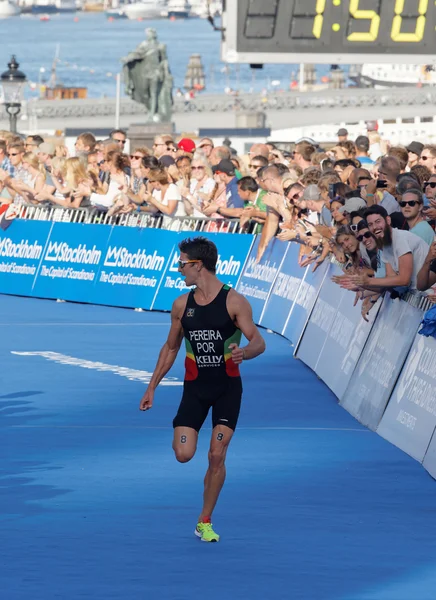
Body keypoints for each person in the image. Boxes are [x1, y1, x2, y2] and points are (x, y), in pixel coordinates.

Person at [139, 237, 266, 542]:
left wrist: (244, 353)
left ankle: (204, 520)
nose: (178, 269)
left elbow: (258, 342)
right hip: (194, 390)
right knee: (184, 454)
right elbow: (170, 348)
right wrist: (151, 387)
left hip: (227, 389)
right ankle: (202, 508)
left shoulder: (234, 301)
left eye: (182, 264)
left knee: (216, 455)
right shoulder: (182, 305)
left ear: (198, 265)